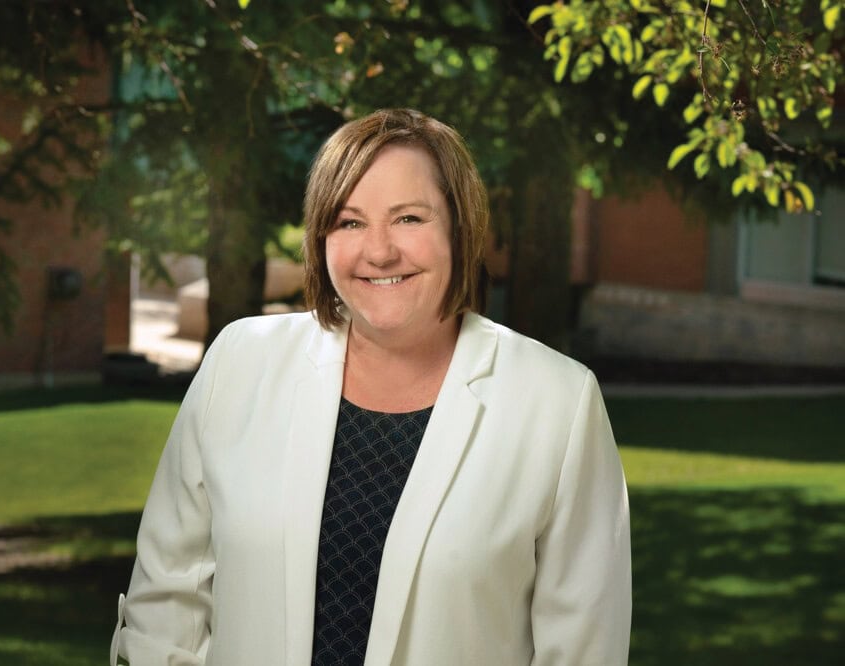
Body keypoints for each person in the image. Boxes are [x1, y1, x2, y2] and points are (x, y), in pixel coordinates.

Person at [111, 108, 631, 665]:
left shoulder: (557, 402)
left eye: (409, 218)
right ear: (321, 236)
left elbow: (582, 651)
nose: (378, 251)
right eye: (350, 221)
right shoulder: (239, 364)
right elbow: (166, 606)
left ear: (461, 227)